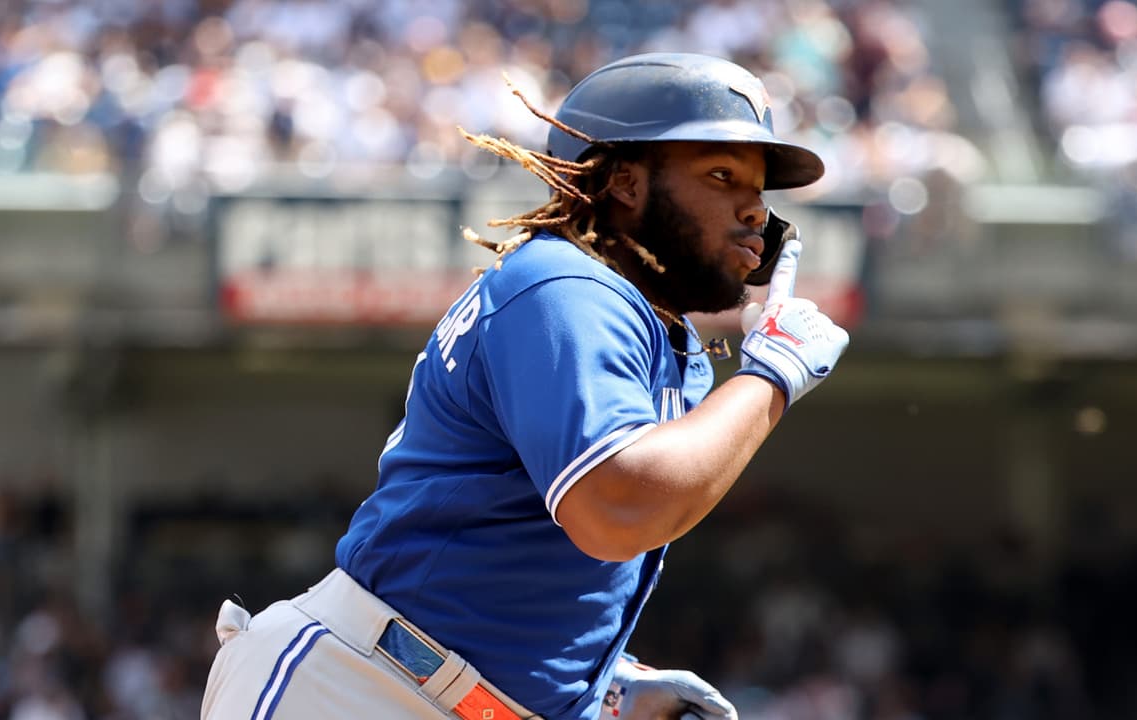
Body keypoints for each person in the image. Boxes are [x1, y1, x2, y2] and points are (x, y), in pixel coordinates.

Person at [201, 52, 849, 720]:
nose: (755, 212)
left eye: (760, 190)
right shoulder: (568, 286)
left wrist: (607, 685)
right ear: (626, 183)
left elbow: (537, 557)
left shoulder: (661, 337)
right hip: (363, 687)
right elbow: (617, 508)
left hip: (428, 687)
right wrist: (772, 373)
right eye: (722, 175)